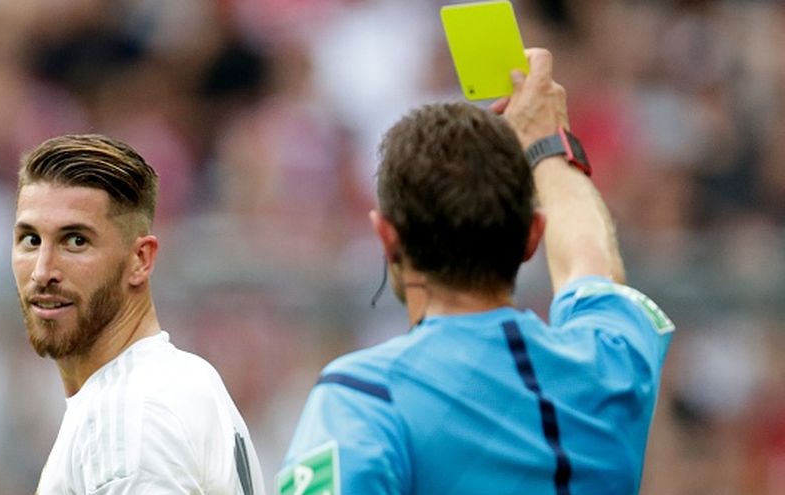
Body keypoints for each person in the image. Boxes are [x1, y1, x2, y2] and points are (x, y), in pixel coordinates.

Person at [276, 48, 674, 494]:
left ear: (387, 237)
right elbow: (592, 264)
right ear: (533, 236)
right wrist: (548, 145)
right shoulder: (611, 363)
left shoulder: (363, 400)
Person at [11, 134, 264, 494]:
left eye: (76, 241)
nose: (42, 271)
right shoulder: (178, 380)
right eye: (31, 240)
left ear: (140, 260)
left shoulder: (126, 417)